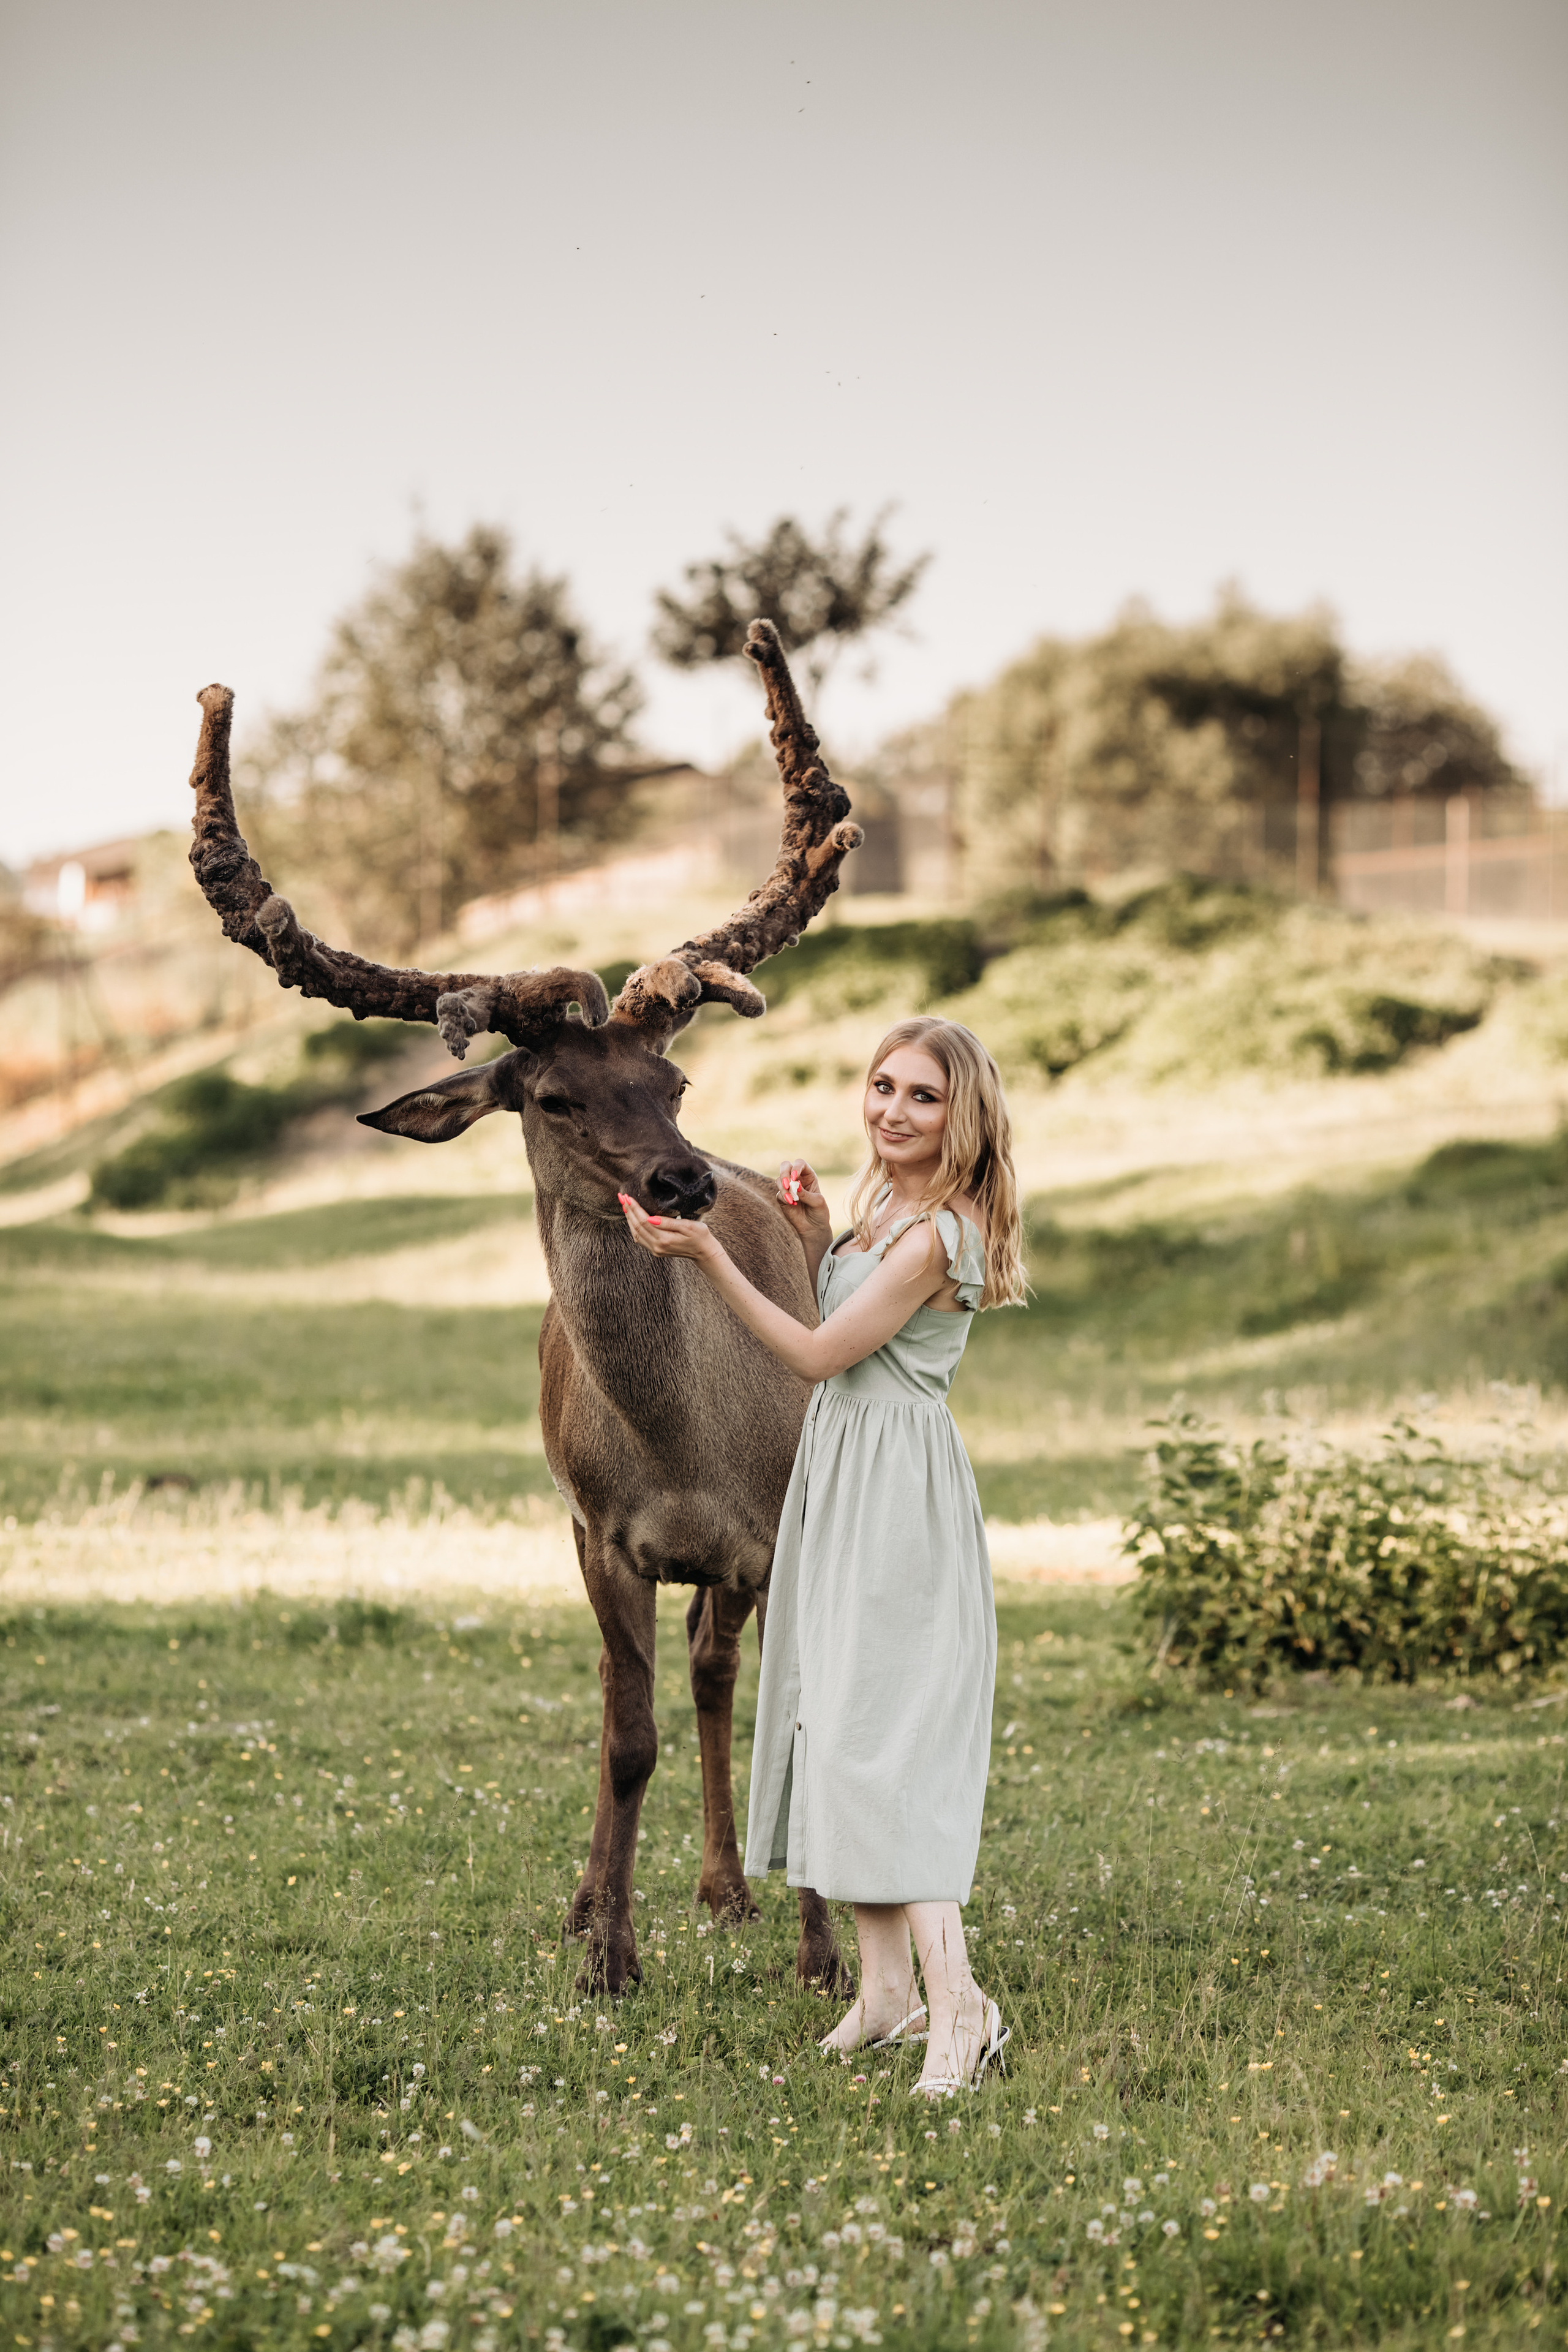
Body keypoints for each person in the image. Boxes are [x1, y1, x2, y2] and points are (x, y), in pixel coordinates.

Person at [619, 1015, 1027, 2095]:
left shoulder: (941, 1233)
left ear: (965, 1115)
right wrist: (812, 1234)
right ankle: (886, 1995)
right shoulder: (886, 1209)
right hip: (841, 1474)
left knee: (887, 1747)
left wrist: (707, 1251)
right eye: (882, 1086)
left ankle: (961, 2012)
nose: (892, 1110)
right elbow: (837, 1315)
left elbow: (813, 1352)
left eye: (923, 1097)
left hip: (895, 1492)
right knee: (838, 1728)